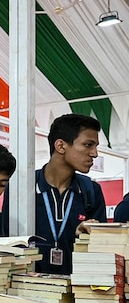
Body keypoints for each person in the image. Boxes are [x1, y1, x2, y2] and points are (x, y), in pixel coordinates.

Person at [35, 113, 106, 274]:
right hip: (27, 289)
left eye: (95, 146)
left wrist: (85, 237)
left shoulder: (91, 191)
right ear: (60, 146)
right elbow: (8, 243)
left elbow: (101, 254)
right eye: (88, 145)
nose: (95, 153)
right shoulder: (24, 189)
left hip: (76, 291)